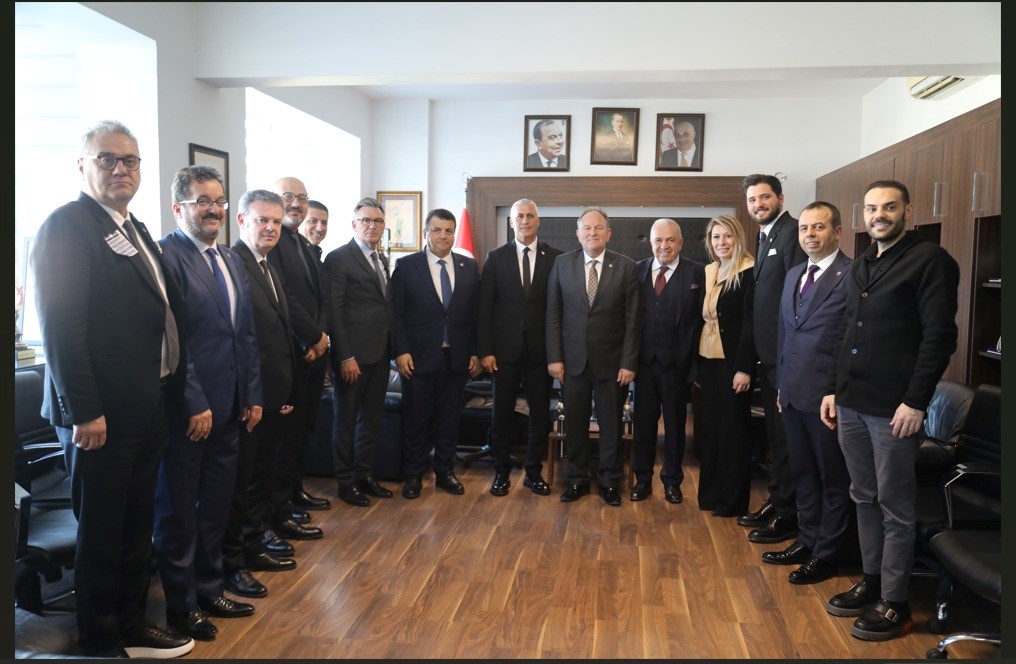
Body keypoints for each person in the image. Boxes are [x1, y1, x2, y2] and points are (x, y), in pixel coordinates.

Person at [30, 120, 194, 658]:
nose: (121, 169)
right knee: (102, 532)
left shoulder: (133, 227)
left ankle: (131, 624)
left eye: (130, 160)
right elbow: (61, 328)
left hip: (145, 406)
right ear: (83, 166)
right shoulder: (67, 226)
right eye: (107, 159)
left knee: (135, 525)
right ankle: (99, 640)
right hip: (99, 416)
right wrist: (84, 410)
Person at [820, 180, 959, 642]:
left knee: (894, 507)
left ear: (908, 211)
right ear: (862, 215)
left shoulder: (931, 261)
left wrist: (916, 401)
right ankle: (873, 582)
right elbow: (845, 332)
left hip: (894, 408)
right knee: (863, 496)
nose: (879, 215)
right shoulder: (862, 263)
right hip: (852, 402)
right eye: (872, 208)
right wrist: (831, 389)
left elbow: (940, 337)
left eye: (889, 207)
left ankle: (896, 604)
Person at [154, 166, 262, 641]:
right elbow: (172, 339)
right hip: (190, 412)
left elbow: (246, 334)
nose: (213, 209)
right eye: (202, 201)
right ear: (178, 207)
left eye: (219, 200)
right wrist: (193, 399)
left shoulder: (231, 259)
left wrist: (252, 394)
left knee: (216, 506)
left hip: (232, 407)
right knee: (180, 513)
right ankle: (181, 607)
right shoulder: (167, 257)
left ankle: (210, 588)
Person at [762, 201, 853, 586]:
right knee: (803, 473)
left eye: (819, 227)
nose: (810, 235)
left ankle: (827, 554)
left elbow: (849, 340)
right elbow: (785, 333)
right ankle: (807, 539)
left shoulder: (852, 274)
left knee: (831, 478)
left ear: (837, 232)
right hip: (792, 392)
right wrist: (781, 384)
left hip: (826, 399)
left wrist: (835, 390)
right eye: (804, 228)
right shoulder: (795, 274)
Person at [224, 190, 299, 600]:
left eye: (276, 221)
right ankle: (234, 561)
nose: (271, 228)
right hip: (249, 397)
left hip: (273, 392)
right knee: (242, 483)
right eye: (262, 220)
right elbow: (241, 339)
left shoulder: (267, 264)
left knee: (261, 478)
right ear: (241, 221)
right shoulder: (233, 263)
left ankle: (253, 546)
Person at [546, 207, 640, 506]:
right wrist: (554, 357)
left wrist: (628, 362)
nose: (592, 233)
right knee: (575, 424)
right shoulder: (562, 264)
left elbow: (633, 321)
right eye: (587, 228)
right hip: (571, 361)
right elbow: (553, 314)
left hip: (612, 363)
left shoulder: (626, 267)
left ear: (608, 233)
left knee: (611, 425)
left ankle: (609, 481)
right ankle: (578, 479)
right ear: (578, 233)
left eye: (599, 228)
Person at [391, 208, 482, 498]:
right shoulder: (406, 266)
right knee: (416, 419)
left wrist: (475, 352)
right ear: (425, 233)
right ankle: (414, 475)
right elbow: (396, 314)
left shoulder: (469, 267)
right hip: (417, 358)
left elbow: (474, 316)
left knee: (449, 419)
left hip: (456, 358)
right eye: (437, 230)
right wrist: (401, 351)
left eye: (449, 230)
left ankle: (445, 472)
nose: (443, 235)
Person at [738, 173, 807, 545]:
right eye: (752, 200)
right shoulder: (764, 236)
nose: (758, 204)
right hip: (768, 358)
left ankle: (788, 514)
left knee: (787, 438)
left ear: (780, 198)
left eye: (764, 197)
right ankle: (778, 500)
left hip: (786, 358)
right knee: (776, 438)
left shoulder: (793, 232)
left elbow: (799, 299)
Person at [477, 199, 562, 496]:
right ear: (511, 222)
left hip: (541, 351)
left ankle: (533, 472)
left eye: (530, 215)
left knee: (539, 414)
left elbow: (559, 308)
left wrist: (557, 353)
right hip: (503, 352)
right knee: (501, 413)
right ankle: (501, 472)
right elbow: (485, 308)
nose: (525, 220)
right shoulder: (496, 257)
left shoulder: (556, 257)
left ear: (538, 221)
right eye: (519, 216)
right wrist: (485, 350)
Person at [266, 177, 330, 546]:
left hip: (312, 352)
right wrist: (311, 337)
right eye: (288, 197)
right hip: (292, 353)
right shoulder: (274, 244)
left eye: (301, 198)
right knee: (284, 437)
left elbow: (320, 299)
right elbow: (285, 297)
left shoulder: (303, 245)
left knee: (303, 429)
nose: (295, 203)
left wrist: (321, 338)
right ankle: (280, 509)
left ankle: (294, 492)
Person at [323, 197, 395, 507]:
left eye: (377, 221)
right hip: (352, 357)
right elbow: (335, 312)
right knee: (346, 420)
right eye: (366, 220)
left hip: (380, 354)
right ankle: (345, 482)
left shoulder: (382, 259)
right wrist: (345, 356)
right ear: (354, 224)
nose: (372, 226)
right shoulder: (339, 258)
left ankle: (365, 475)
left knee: (371, 420)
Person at [630, 219, 705, 504]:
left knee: (675, 427)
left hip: (678, 366)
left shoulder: (697, 273)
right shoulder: (635, 270)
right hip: (643, 365)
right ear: (650, 243)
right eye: (658, 240)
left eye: (670, 240)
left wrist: (696, 367)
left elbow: (702, 323)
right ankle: (642, 479)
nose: (664, 246)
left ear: (681, 243)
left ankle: (672, 481)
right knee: (643, 426)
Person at [695, 215, 756, 518]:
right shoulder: (709, 270)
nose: (722, 242)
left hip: (733, 364)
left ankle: (731, 502)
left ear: (738, 238)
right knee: (710, 431)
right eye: (716, 237)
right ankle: (710, 496)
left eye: (727, 236)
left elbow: (750, 324)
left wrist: (744, 368)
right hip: (707, 362)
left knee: (733, 433)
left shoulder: (749, 270)